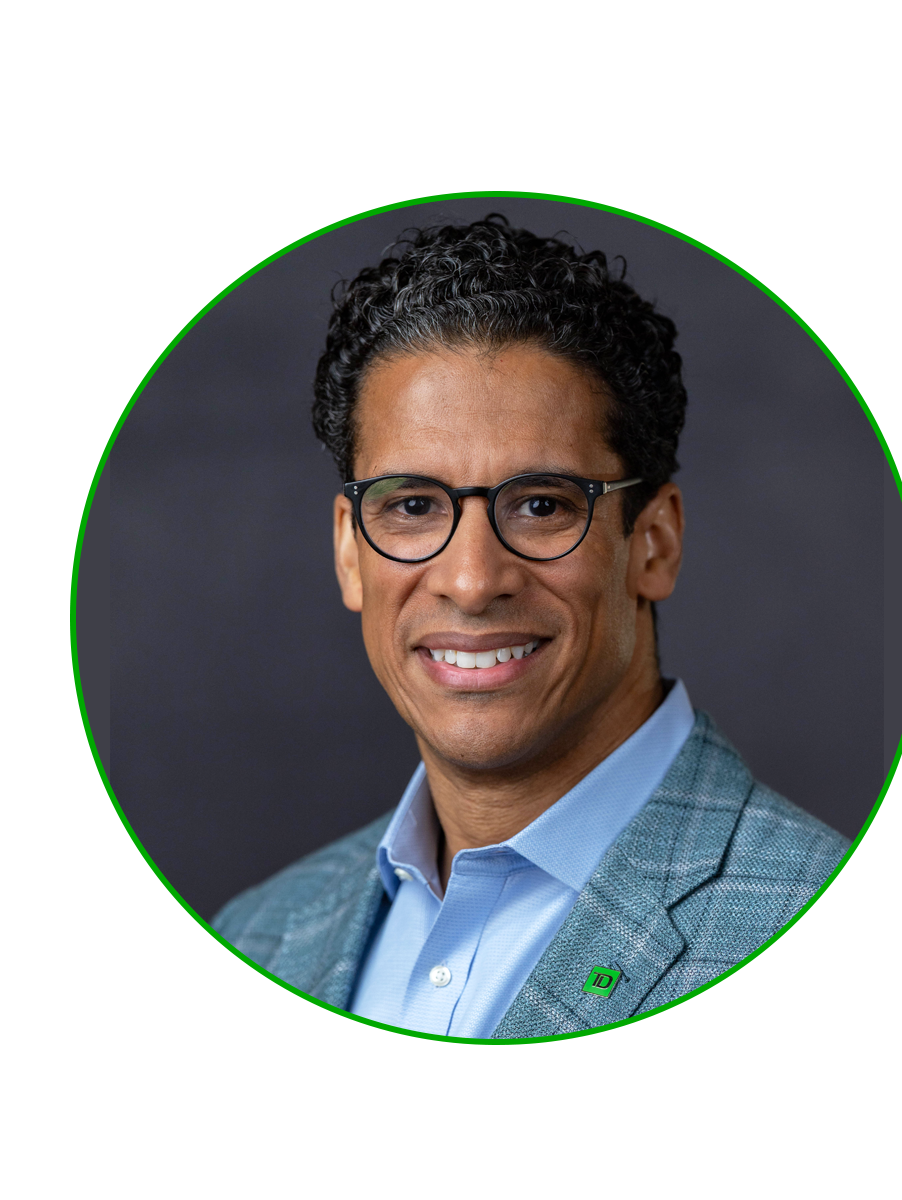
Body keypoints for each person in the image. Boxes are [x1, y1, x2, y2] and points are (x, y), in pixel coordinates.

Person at [212, 216, 850, 1038]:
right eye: (411, 506)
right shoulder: (258, 939)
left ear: (652, 544)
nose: (473, 581)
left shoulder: (814, 928)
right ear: (348, 551)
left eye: (542, 505)